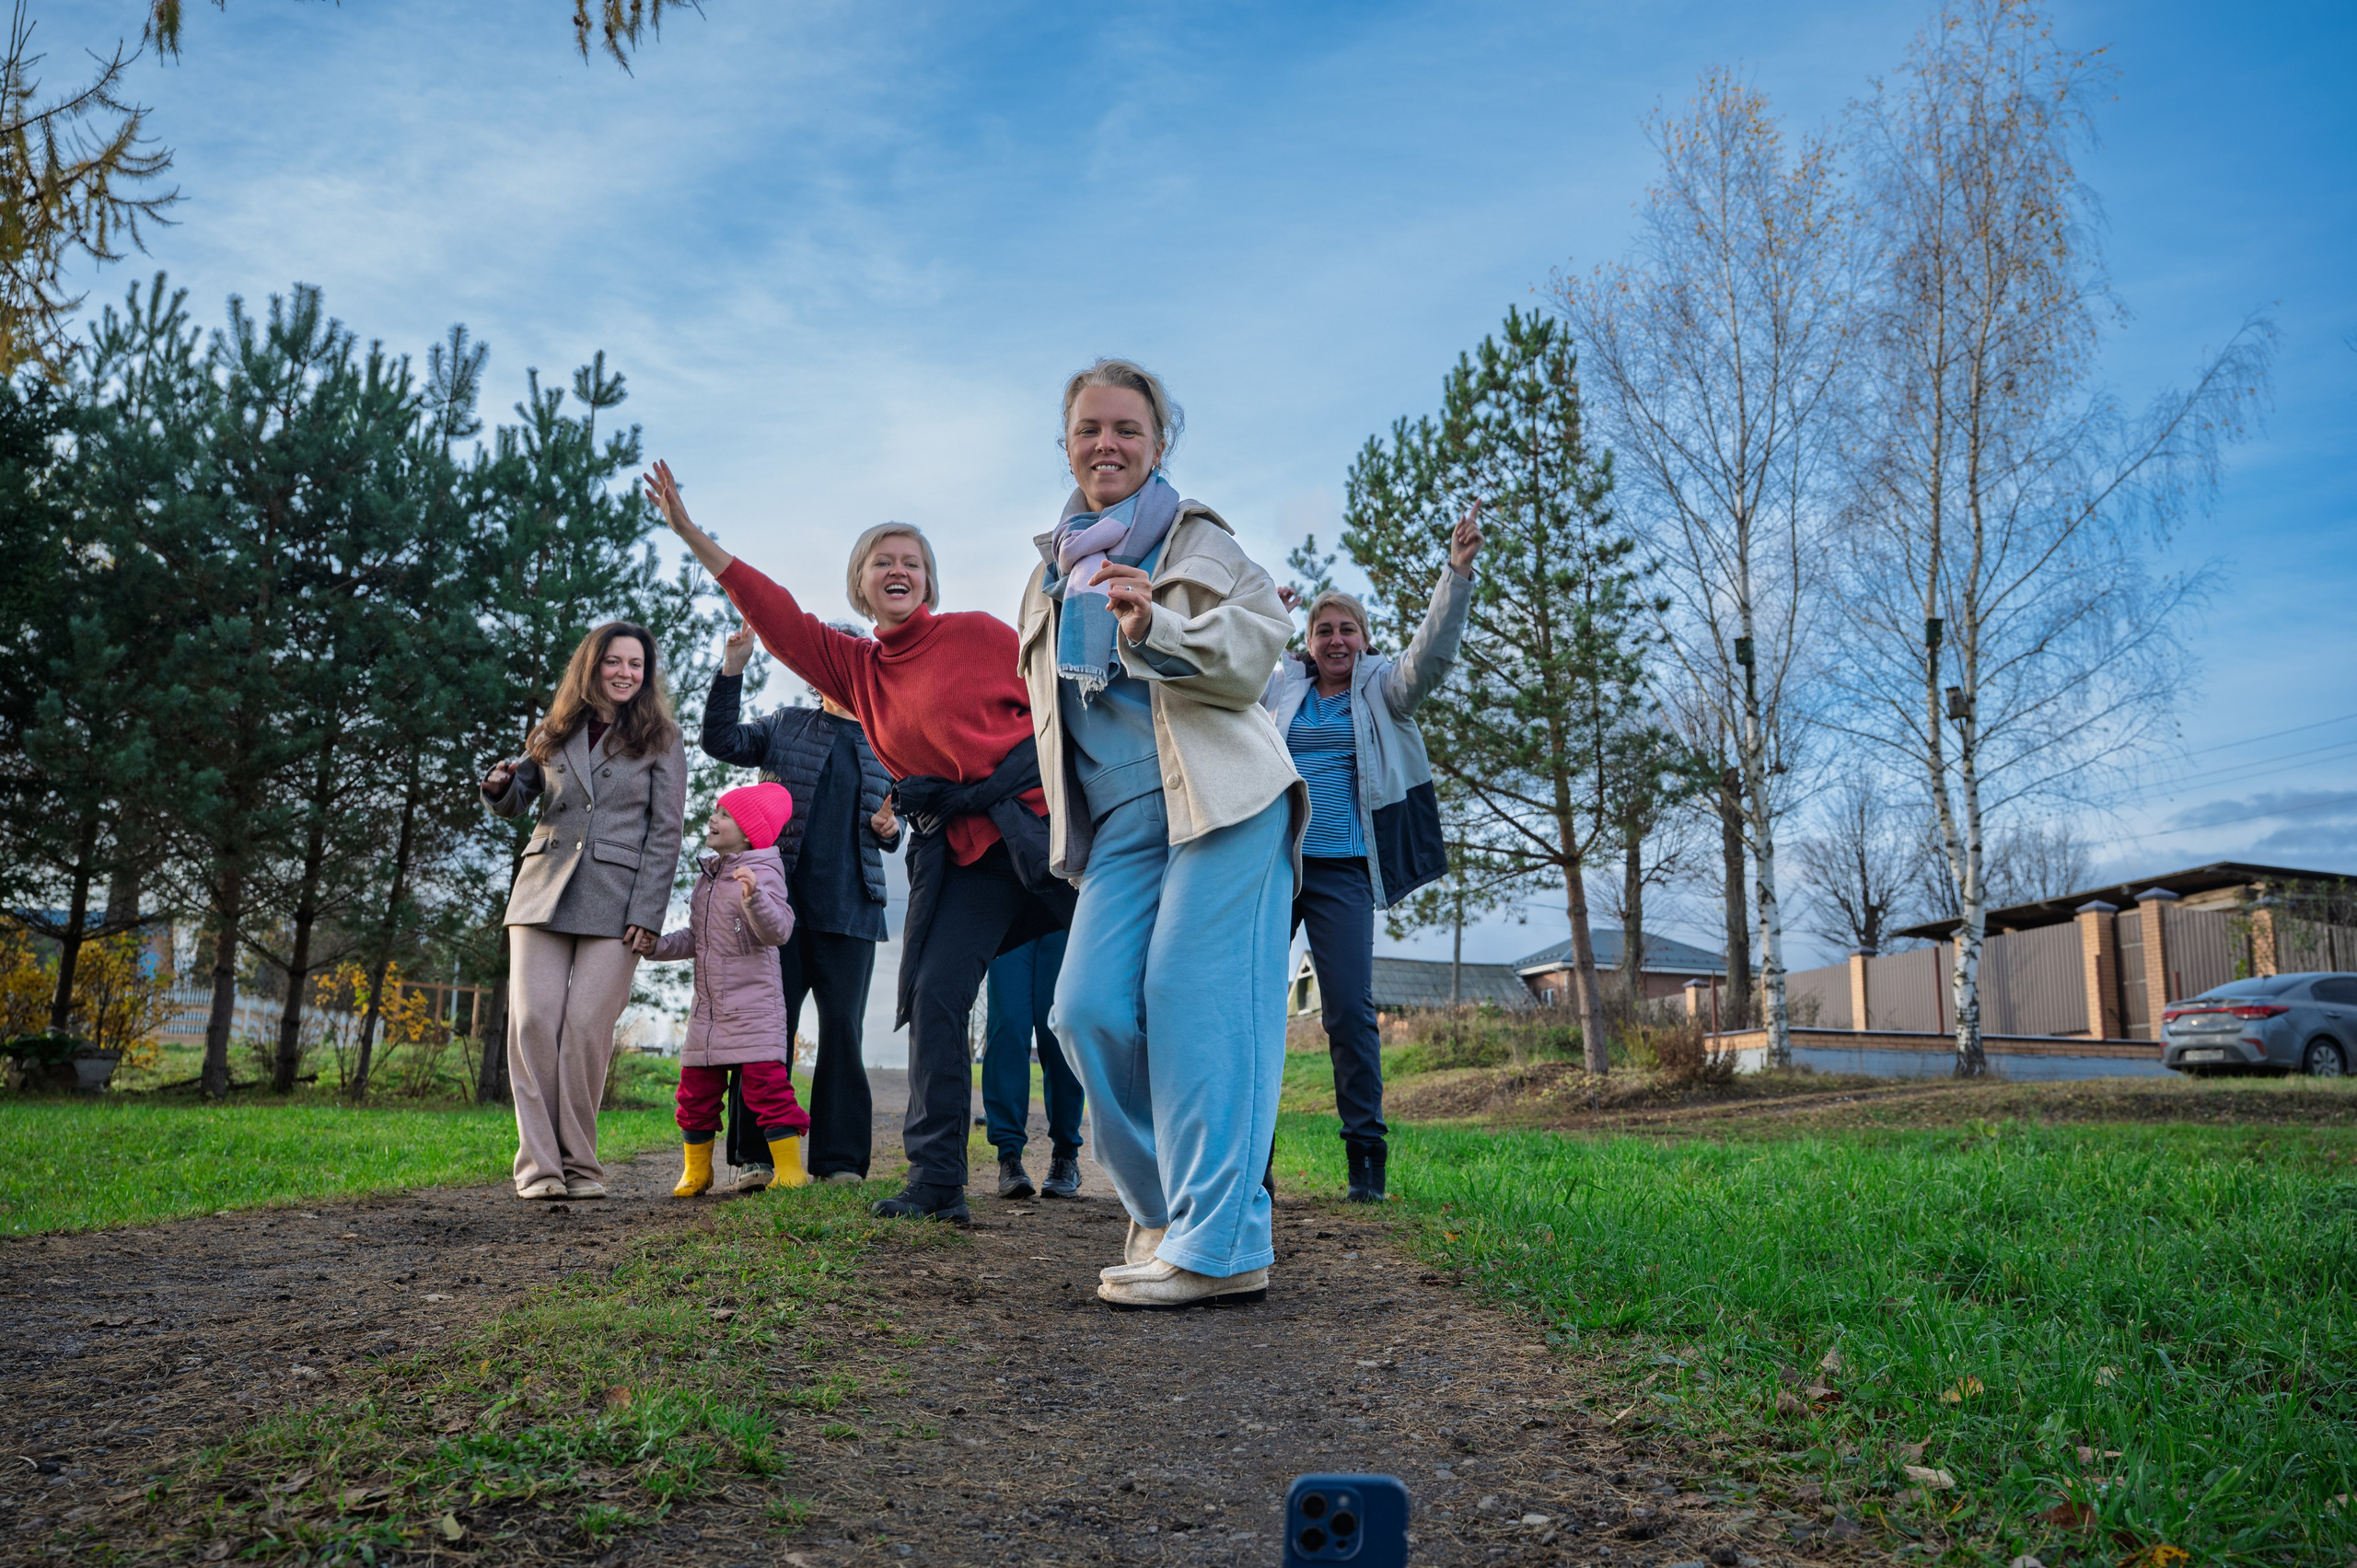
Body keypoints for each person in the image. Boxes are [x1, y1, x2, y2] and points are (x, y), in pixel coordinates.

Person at [642, 467, 1068, 1226]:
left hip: (1040, 835)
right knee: (935, 997)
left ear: (929, 579)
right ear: (860, 585)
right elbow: (776, 614)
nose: (897, 568)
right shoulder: (857, 671)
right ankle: (938, 1180)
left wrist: (969, 791)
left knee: (1116, 996)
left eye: (910, 559)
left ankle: (1201, 1168)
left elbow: (1057, 722)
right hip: (964, 857)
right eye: (882, 560)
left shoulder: (978, 633)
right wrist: (691, 534)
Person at [1017, 358, 1304, 1309]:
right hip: (1124, 820)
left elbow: (1255, 647)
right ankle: (1164, 1212)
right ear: (1064, 442)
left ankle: (1224, 1243)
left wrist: (1154, 629)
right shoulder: (1048, 571)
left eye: (1127, 430)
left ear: (1157, 443)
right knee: (1086, 1009)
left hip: (1221, 797)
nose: (1107, 443)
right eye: (1090, 428)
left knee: (1190, 994)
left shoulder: (1197, 539)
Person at [1264, 508, 1483, 1203]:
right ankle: (1250, 1163)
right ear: (1307, 642)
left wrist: (1457, 575)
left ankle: (1366, 1159)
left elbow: (1432, 653)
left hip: (1343, 872)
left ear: (1364, 640)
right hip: (1272, 868)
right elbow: (1229, 675)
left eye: (1347, 629)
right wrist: (1263, 618)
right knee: (1255, 1009)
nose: (1336, 639)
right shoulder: (1279, 690)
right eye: (1323, 629)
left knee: (1349, 1012)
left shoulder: (1384, 691)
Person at [482, 621, 688, 1201]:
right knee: (532, 1023)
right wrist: (500, 785)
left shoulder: (663, 738)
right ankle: (540, 1169)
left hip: (618, 901)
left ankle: (581, 1167)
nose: (625, 673)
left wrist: (648, 912)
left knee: (584, 1030)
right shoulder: (553, 729)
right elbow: (521, 797)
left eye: (636, 665)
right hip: (542, 888)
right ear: (591, 666)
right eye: (614, 662)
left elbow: (666, 832)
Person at [701, 620, 902, 1188]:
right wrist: (733, 667)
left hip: (854, 910)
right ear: (816, 672)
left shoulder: (887, 739)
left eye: (853, 658)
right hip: (772, 913)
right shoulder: (785, 727)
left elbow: (899, 819)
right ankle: (757, 1158)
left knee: (843, 1032)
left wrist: (891, 829)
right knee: (766, 1035)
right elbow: (720, 740)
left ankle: (839, 1162)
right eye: (830, 660)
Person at [649, 784, 810, 1197]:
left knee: (768, 1090)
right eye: (715, 811)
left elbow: (778, 930)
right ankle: (696, 1172)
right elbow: (696, 938)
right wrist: (658, 947)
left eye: (724, 815)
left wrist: (754, 897)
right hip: (709, 1012)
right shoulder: (709, 876)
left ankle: (790, 1170)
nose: (713, 819)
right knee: (695, 1092)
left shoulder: (763, 872)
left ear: (750, 832)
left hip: (754, 1008)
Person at [981, 931, 1084, 1200]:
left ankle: (1066, 1155)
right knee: (1007, 1026)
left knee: (1058, 1032)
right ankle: (1008, 1156)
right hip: (1012, 909)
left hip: (1064, 908)